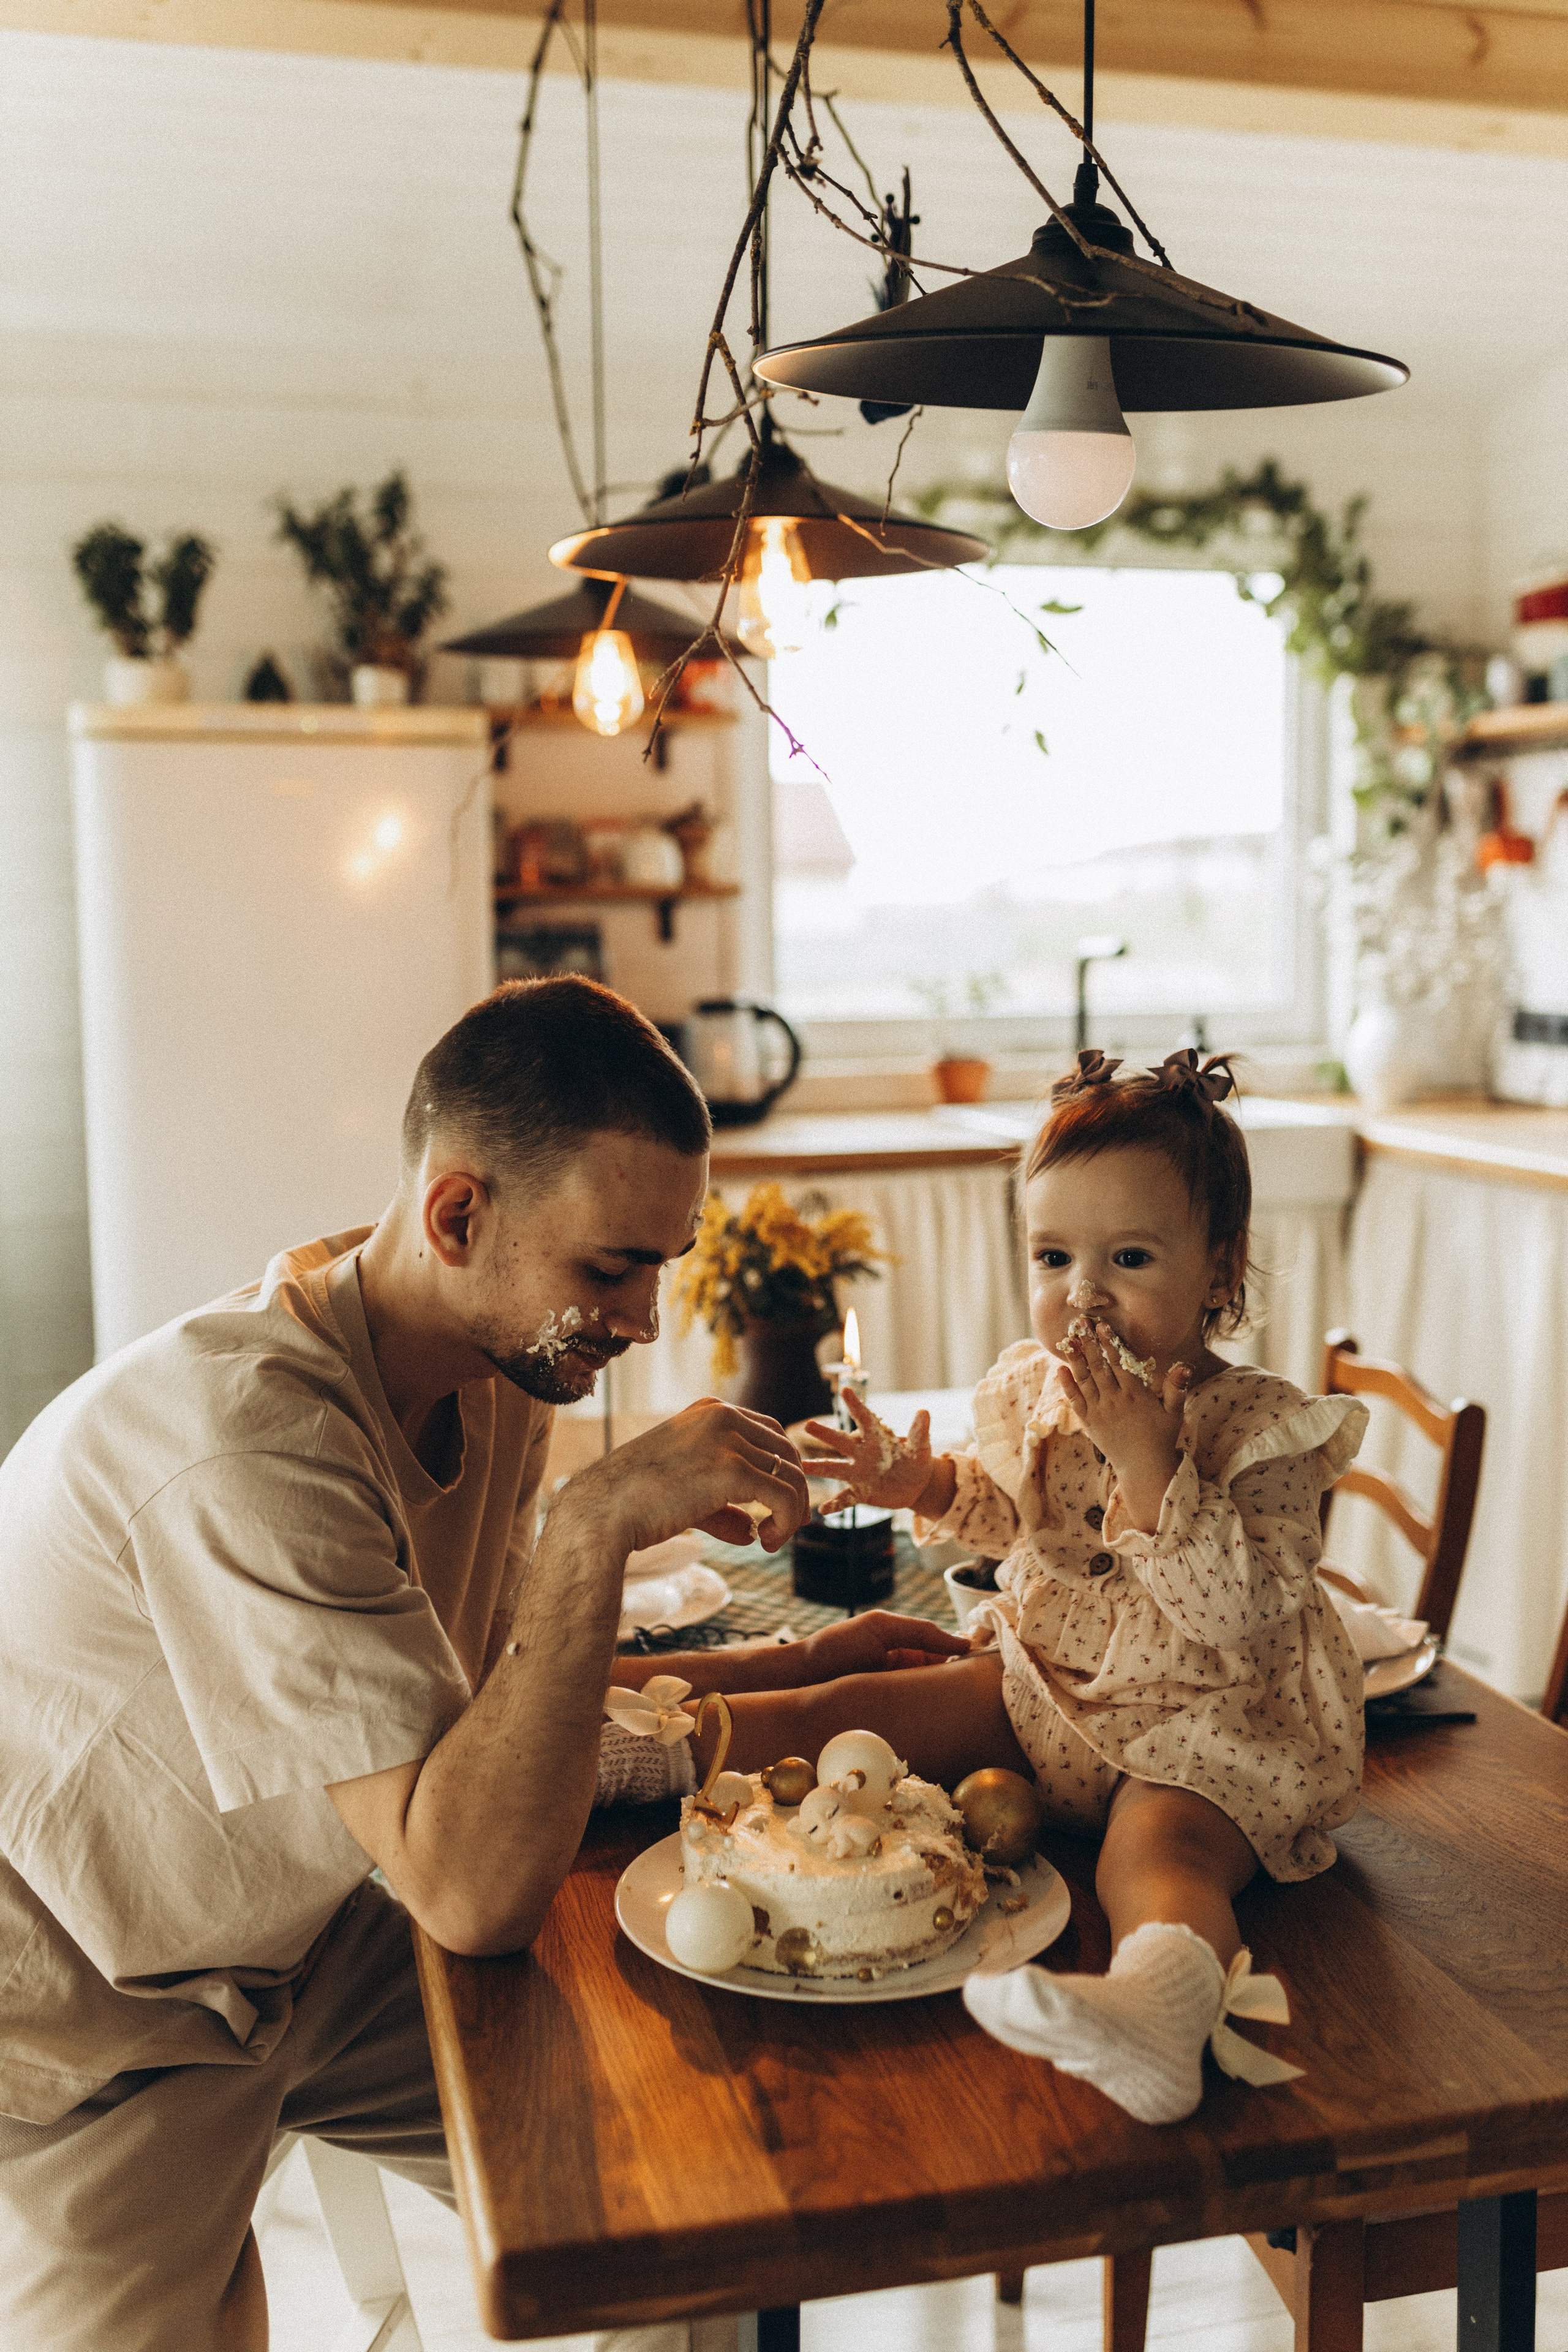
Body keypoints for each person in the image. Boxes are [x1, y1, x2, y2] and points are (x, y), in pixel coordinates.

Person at [0, 975, 965, 2352]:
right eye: (609, 1269)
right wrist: (592, 1525)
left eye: (662, 1263)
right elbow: (467, 1890)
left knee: (697, 2211)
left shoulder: (490, 1359)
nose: (641, 1318)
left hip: (320, 1937)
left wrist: (794, 1660)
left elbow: (510, 1704)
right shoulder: (246, 1443)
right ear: (459, 1214)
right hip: (91, 2022)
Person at [673, 1048, 1368, 2126]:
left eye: (1129, 1257)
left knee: (1153, 1856)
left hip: (1205, 1736)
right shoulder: (1037, 1389)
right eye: (1054, 1256)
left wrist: (1149, 1460)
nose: (1081, 1296)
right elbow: (1014, 1523)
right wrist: (929, 1482)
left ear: (1220, 1273)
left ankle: (1158, 2012)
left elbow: (1236, 1615)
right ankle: (633, 1750)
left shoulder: (1260, 1427)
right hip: (1049, 1692)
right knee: (859, 1707)